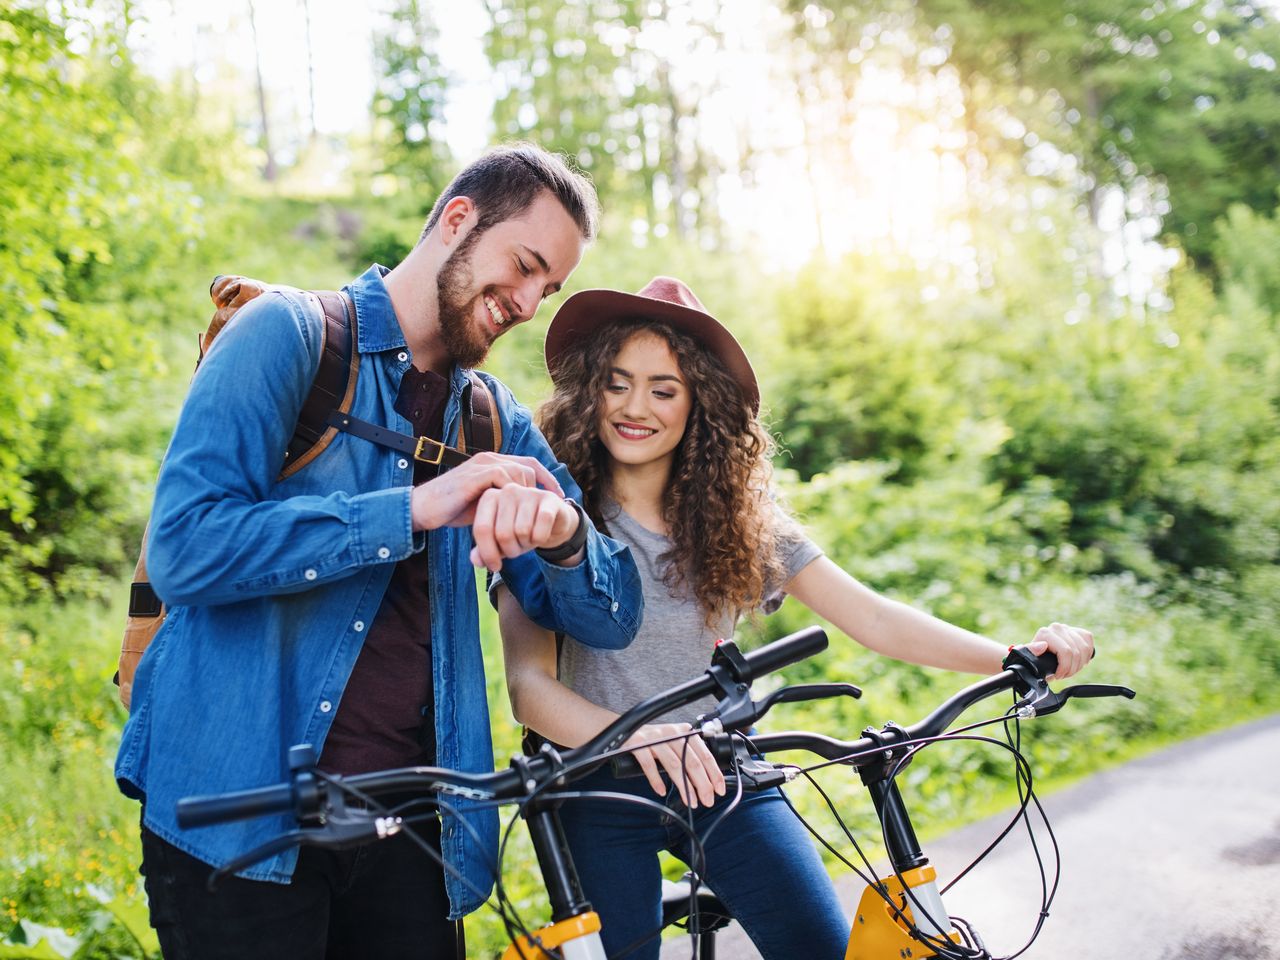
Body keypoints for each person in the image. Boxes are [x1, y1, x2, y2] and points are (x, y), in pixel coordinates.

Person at [114, 145, 644, 960]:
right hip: (239, 820)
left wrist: (567, 538)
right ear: (458, 220)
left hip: (414, 834)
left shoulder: (492, 419)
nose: (532, 302)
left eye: (552, 286)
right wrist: (410, 510)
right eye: (526, 265)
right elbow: (186, 547)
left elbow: (613, 615)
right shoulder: (285, 337)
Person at [495, 276, 1095, 960]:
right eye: (617, 382)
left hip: (721, 774)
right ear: (589, 391)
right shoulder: (548, 514)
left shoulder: (736, 523)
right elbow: (529, 689)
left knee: (820, 945)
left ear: (699, 407)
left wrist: (1014, 655)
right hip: (596, 787)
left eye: (664, 389)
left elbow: (874, 617)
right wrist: (638, 736)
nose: (637, 407)